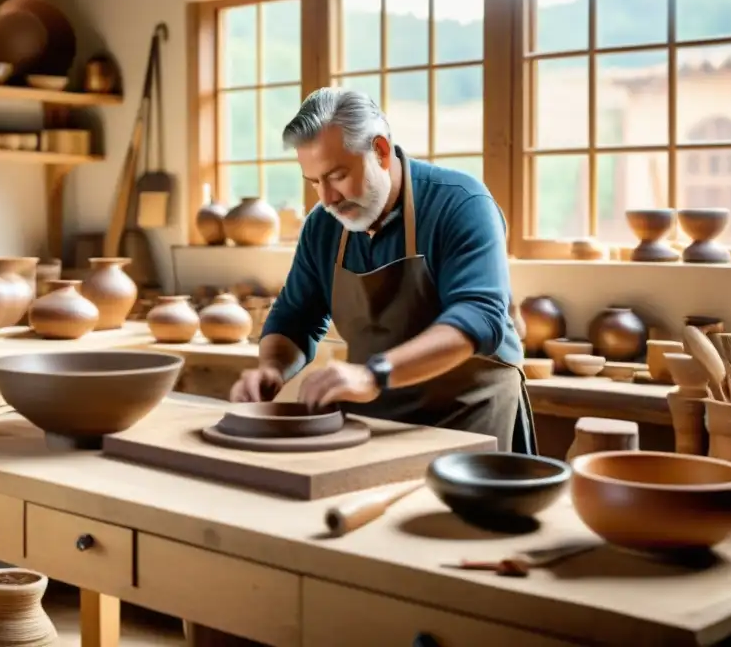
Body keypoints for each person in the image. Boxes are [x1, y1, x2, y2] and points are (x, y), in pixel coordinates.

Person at [229, 87, 535, 454]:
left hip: (469, 417)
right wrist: (273, 369)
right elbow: (295, 319)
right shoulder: (322, 227)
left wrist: (374, 374)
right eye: (314, 182)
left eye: (338, 175)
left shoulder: (461, 203)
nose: (327, 198)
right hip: (375, 419)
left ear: (381, 151)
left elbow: (478, 316)